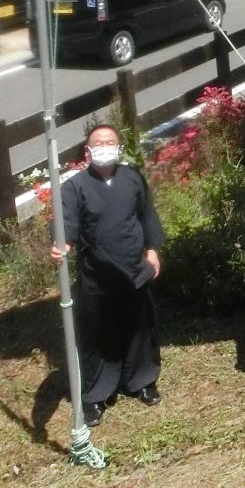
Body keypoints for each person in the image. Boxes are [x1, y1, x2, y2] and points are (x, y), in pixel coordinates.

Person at [49, 125, 165, 428]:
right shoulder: (74, 187)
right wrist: (63, 246)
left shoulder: (132, 177)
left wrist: (152, 250)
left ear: (119, 147)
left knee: (139, 327)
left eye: (110, 142)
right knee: (98, 336)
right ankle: (96, 393)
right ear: (88, 150)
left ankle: (142, 380)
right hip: (96, 274)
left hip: (134, 269)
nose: (104, 147)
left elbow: (147, 215)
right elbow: (68, 227)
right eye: (98, 143)